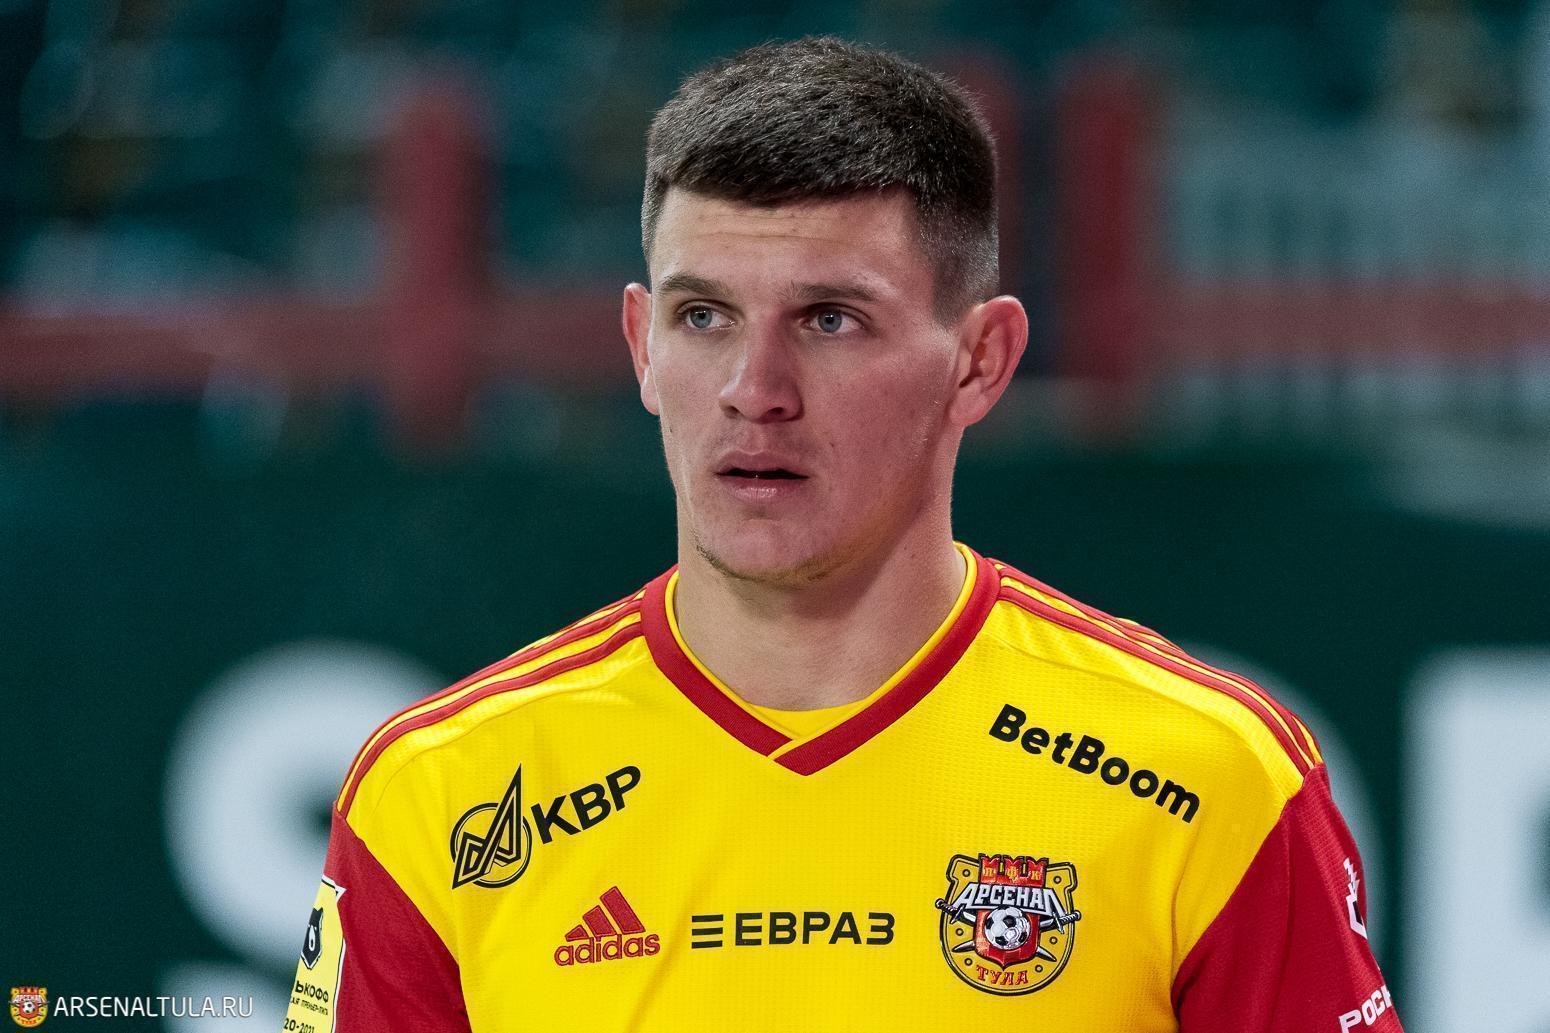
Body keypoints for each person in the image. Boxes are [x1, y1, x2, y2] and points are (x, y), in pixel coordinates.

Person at [283, 36, 1402, 1033]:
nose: (754, 388)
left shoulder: (1208, 779)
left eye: (829, 319)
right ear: (640, 346)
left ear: (980, 361)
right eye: (702, 316)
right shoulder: (438, 794)